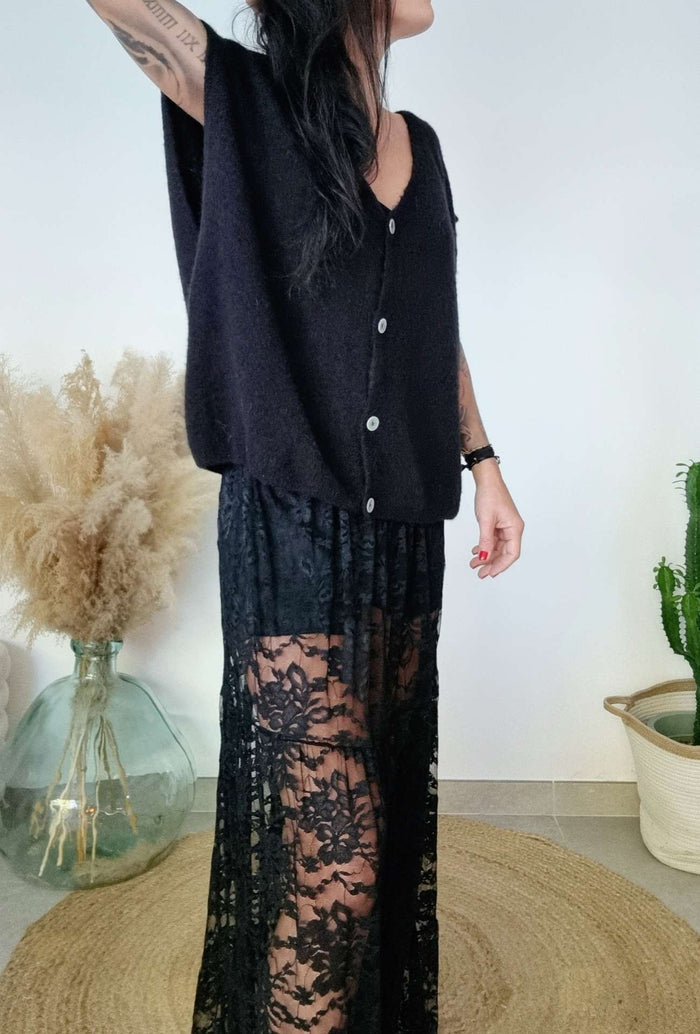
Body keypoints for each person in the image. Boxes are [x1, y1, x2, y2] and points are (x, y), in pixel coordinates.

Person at [85, 1, 525, 1031]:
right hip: (289, 526)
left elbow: (434, 326)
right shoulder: (246, 99)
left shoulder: (422, 147)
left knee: (378, 827)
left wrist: (485, 463)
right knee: (339, 853)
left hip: (403, 528)